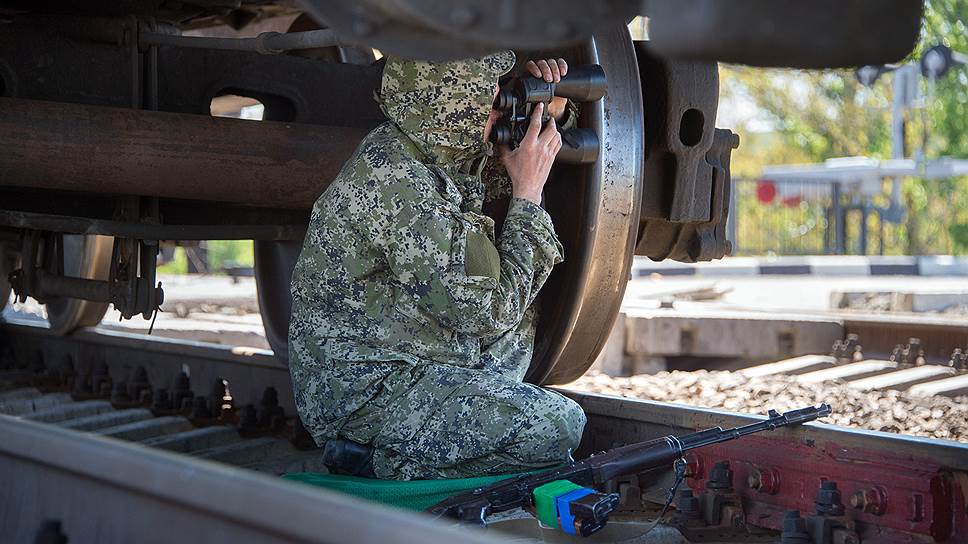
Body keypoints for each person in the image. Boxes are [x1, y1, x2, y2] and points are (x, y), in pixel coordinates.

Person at [288, 51, 586, 480]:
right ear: (451, 104)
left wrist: (548, 109)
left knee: (522, 316)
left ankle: (458, 423)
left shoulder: (423, 147)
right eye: (489, 92)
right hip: (368, 394)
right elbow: (488, 312)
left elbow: (496, 170)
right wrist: (528, 194)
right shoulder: (397, 184)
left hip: (410, 351)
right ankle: (372, 455)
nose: (499, 99)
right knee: (558, 426)